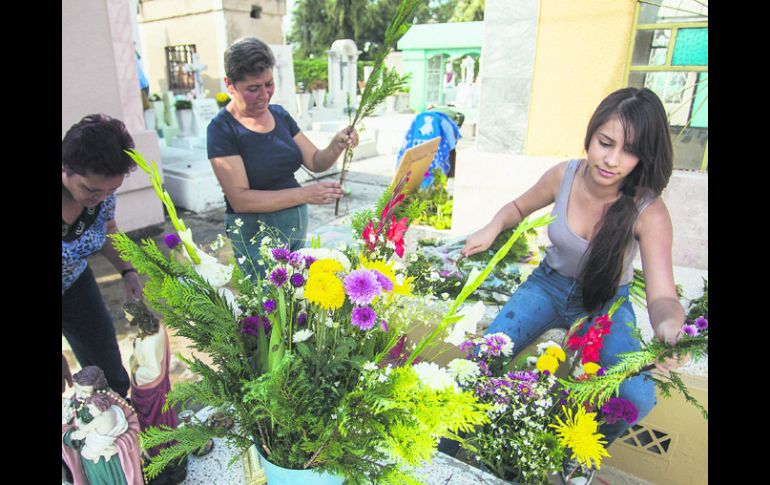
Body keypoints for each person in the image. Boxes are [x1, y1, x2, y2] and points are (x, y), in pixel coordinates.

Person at [461, 87, 687, 482]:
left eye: (629, 151)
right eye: (605, 143)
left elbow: (663, 296)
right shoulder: (563, 175)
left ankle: (575, 453)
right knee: (481, 360)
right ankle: (452, 450)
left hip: (605, 303)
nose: (612, 159)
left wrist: (670, 328)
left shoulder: (649, 211)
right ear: (591, 134)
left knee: (636, 395)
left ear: (644, 157)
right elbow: (517, 207)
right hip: (547, 285)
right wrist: (492, 226)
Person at [207, 36, 359, 280]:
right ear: (230, 85)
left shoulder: (279, 115)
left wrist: (337, 143)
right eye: (253, 88)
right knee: (269, 308)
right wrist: (306, 194)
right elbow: (241, 201)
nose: (265, 95)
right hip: (256, 237)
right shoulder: (222, 130)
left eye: (268, 84)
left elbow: (316, 161)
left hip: (293, 231)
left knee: (294, 305)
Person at [62, 114, 141, 399]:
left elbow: (107, 228)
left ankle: (121, 431)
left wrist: (127, 270)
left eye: (112, 190)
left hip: (73, 281)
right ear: (65, 168)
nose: (101, 198)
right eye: (90, 189)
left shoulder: (103, 195)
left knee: (108, 371)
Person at [62, 366, 143, 485]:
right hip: (91, 463)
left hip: (113, 460)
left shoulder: (114, 401)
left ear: (97, 390)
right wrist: (71, 437)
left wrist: (119, 446)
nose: (78, 395)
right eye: (77, 389)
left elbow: (134, 428)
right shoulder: (75, 404)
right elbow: (66, 428)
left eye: (84, 391)